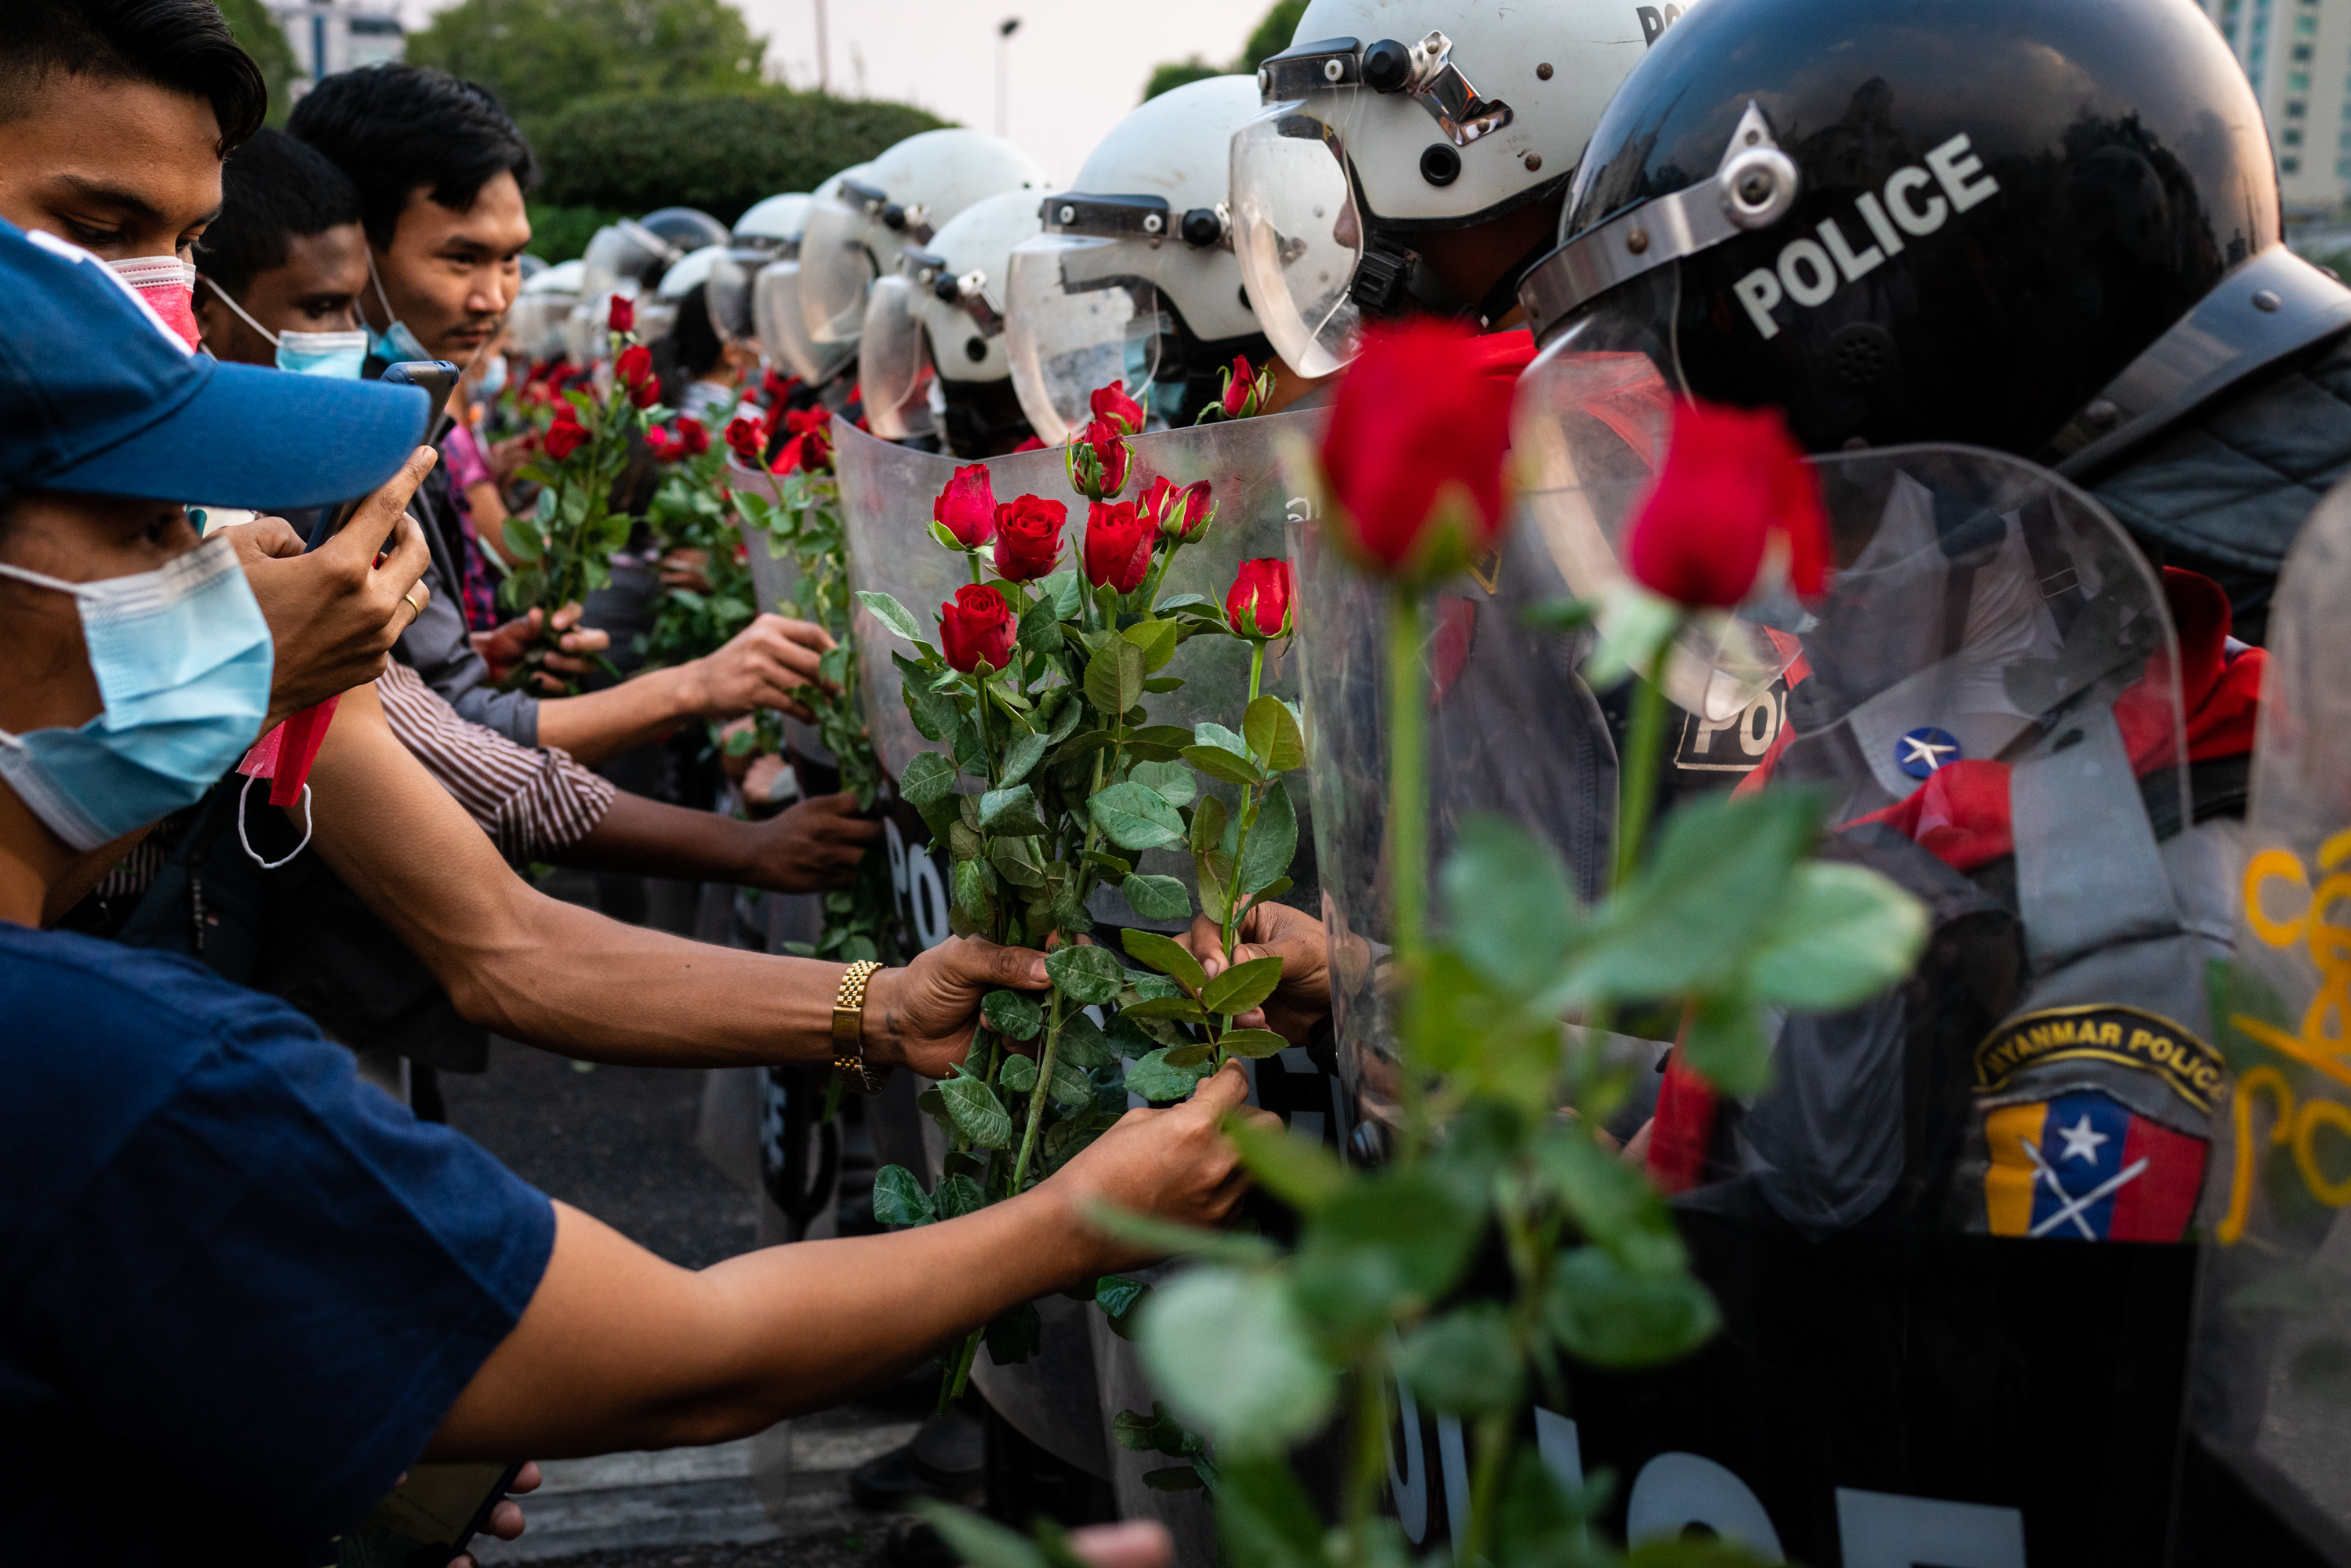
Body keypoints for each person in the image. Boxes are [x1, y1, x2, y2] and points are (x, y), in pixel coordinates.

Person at [0, 224, 1272, 1566]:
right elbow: (690, 1358)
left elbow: (511, 938)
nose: (237, 567)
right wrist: (1078, 1217)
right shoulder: (117, 1078)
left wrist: (884, 1008)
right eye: (157, 533)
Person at [282, 62, 828, 757]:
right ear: (346, 245)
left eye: (511, 260)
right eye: (462, 258)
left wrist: (476, 651)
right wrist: (696, 687)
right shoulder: (331, 449)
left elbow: (436, 692)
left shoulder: (411, 413)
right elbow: (455, 740)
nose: (495, 297)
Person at [1226, 0, 1648, 380]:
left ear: (1446, 155)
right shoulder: (1667, 336)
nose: (1340, 230)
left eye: (1352, 180)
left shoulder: (1511, 411)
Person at [1004, 75, 1319, 441]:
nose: (1135, 328)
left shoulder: (1329, 453)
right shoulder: (1283, 440)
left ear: (1242, 278)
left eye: (1142, 299)